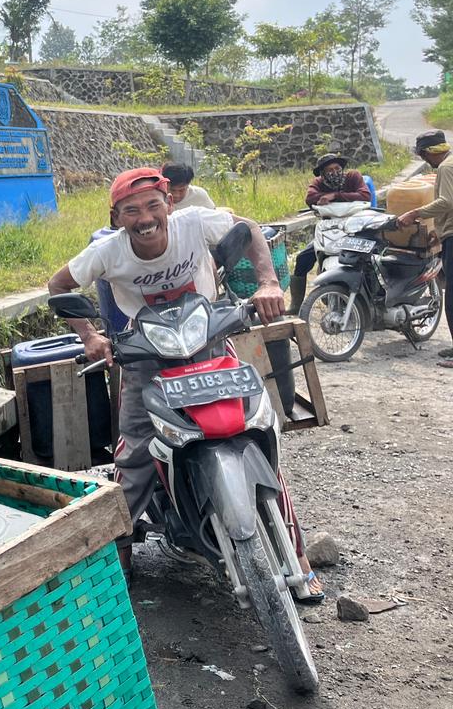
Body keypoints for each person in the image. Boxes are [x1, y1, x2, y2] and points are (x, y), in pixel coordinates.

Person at [47, 167, 323, 599]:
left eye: (153, 205)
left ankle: (297, 556)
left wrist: (268, 282)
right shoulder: (108, 252)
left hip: (209, 345)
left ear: (169, 205)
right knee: (137, 454)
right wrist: (91, 336)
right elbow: (59, 284)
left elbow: (247, 229)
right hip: (146, 359)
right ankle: (119, 553)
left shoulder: (194, 224)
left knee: (257, 435)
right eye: (132, 210)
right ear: (117, 216)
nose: (145, 217)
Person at [287, 153, 372, 314]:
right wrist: (322, 197)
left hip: (354, 228)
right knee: (303, 258)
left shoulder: (353, 176)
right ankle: (296, 304)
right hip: (329, 230)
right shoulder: (318, 183)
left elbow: (364, 195)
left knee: (370, 257)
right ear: (323, 173)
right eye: (329, 170)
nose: (334, 172)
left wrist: (335, 196)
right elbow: (310, 198)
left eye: (337, 168)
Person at [396, 129, 453, 367]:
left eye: (423, 156)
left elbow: (447, 202)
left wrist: (415, 213)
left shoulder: (445, 168)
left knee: (451, 297)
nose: (424, 161)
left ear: (430, 153)